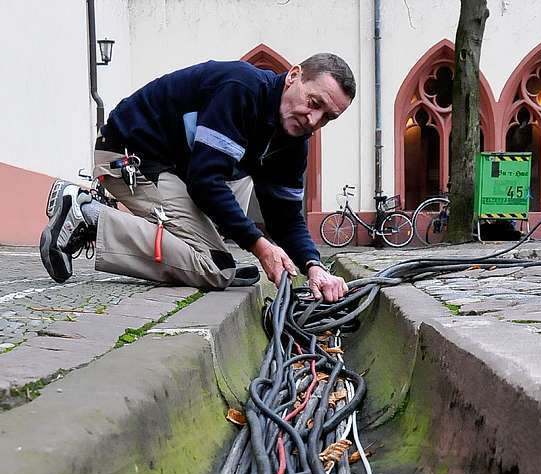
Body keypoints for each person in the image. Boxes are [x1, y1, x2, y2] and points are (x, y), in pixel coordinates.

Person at [39, 54, 354, 301]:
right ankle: (89, 216)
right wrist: (260, 247)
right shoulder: (242, 89)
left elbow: (286, 220)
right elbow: (206, 182)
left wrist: (314, 268)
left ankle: (194, 252)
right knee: (215, 268)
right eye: (314, 103)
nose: (314, 119)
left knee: (217, 252)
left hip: (179, 170)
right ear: (294, 76)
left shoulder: (294, 141)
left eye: (327, 117)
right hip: (130, 157)